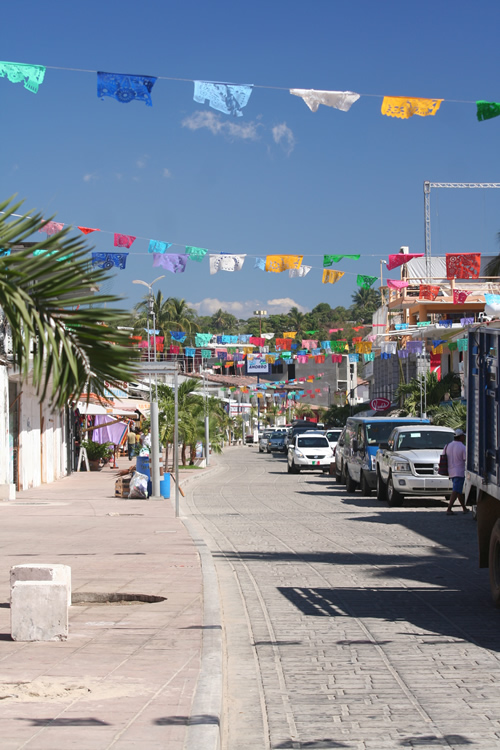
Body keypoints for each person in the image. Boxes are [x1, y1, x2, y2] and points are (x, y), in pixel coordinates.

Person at [443, 428, 469, 515]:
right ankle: (449, 508)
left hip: (451, 471)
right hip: (460, 472)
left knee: (458, 491)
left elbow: (443, 456)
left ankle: (464, 508)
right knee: (456, 490)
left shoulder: (447, 446)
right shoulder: (463, 447)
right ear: (461, 437)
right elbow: (465, 459)